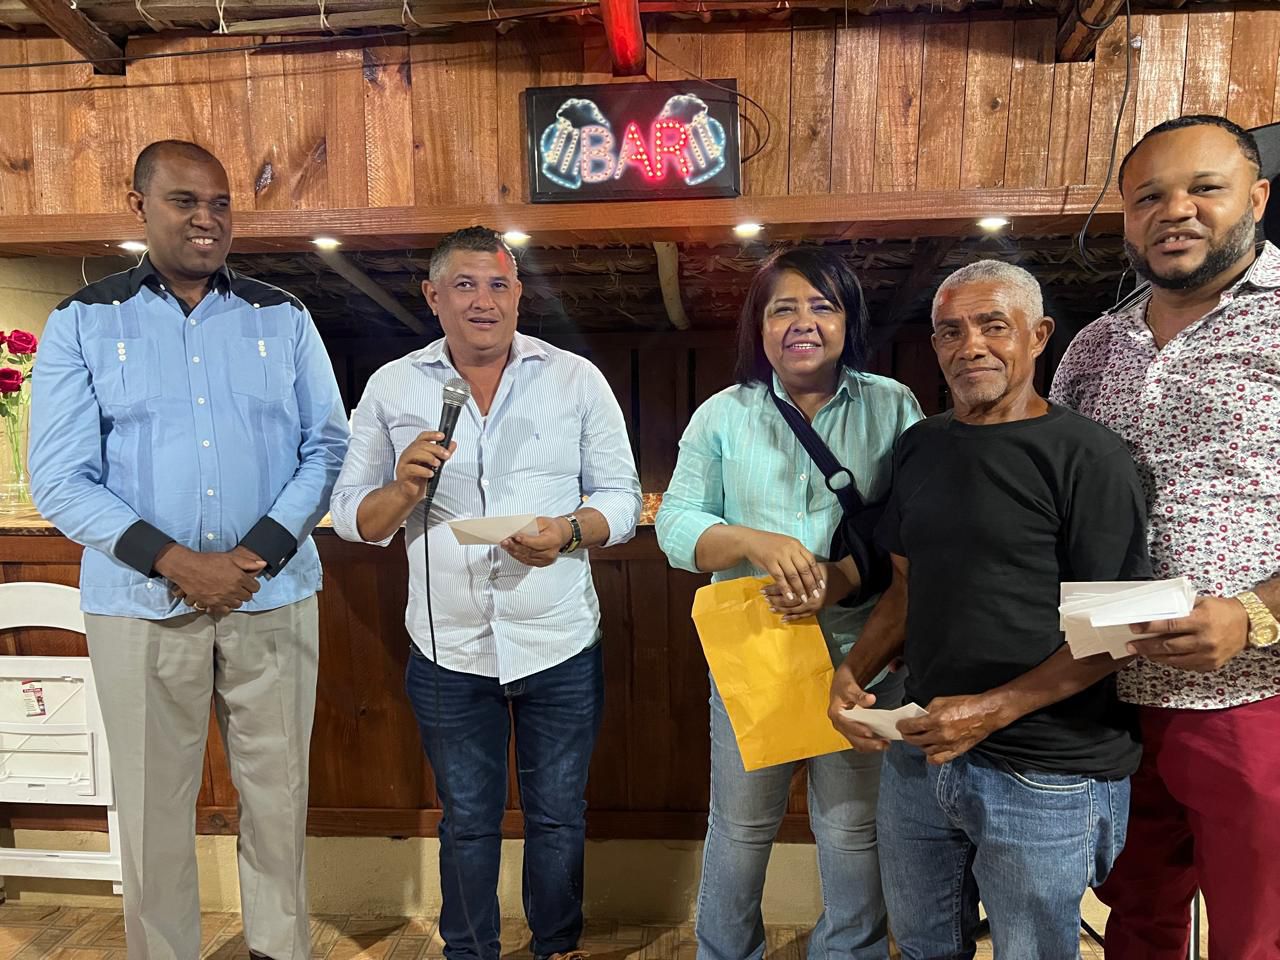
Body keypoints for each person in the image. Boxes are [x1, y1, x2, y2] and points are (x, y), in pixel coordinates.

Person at [28, 140, 350, 960]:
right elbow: (59, 478)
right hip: (140, 604)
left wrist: (253, 556)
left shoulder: (283, 316)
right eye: (184, 201)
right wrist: (179, 563)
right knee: (152, 808)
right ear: (139, 206)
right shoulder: (82, 321)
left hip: (271, 596)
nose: (207, 219)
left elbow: (327, 446)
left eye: (220, 203)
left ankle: (280, 949)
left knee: (278, 798)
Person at [329, 226, 640, 960]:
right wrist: (403, 488)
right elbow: (352, 519)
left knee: (558, 815)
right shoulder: (394, 387)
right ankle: (469, 951)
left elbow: (621, 498)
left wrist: (568, 531)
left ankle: (556, 945)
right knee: (467, 820)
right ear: (433, 296)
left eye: (499, 285)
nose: (483, 301)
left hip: (558, 637)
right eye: (464, 285)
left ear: (519, 295)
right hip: (448, 649)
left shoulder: (574, 378)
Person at [829, 260, 1152, 960]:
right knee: (921, 946)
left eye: (993, 326)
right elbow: (906, 588)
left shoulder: (1089, 456)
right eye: (951, 331)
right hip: (921, 751)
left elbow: (1117, 629)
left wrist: (990, 710)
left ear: (1038, 336)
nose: (970, 345)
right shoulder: (921, 445)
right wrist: (853, 669)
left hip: (1047, 768)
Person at [1050, 115, 1280, 960]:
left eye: (1204, 188)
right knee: (1135, 922)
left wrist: (1256, 615)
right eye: (1149, 197)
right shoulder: (1094, 346)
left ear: (1256, 198)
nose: (1175, 211)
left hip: (1253, 695)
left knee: (1257, 934)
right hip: (1111, 695)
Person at [656, 247, 923, 960]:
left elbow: (915, 525)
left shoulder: (893, 405)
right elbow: (675, 525)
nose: (803, 322)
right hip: (756, 655)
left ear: (848, 321)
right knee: (741, 826)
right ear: (760, 326)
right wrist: (751, 540)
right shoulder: (723, 414)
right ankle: (725, 952)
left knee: (851, 826)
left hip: (863, 653)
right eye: (783, 309)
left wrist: (842, 578)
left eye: (822, 306)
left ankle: (850, 952)